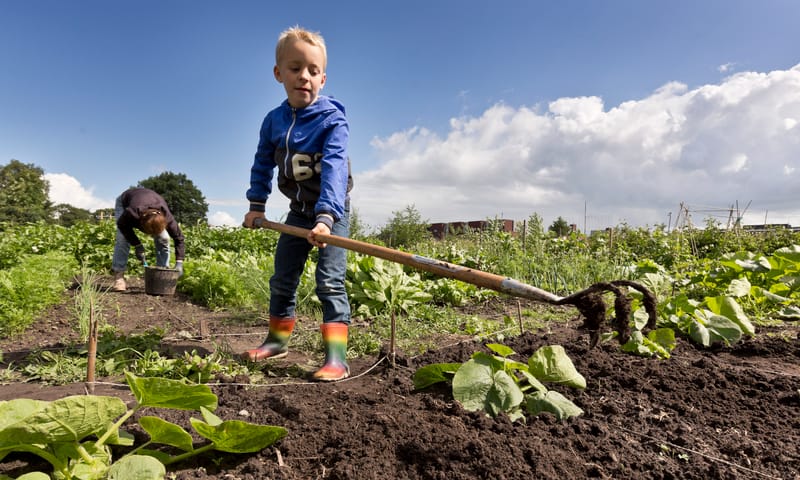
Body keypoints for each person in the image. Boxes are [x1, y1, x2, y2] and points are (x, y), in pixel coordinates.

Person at [241, 26, 353, 382]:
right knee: (283, 277)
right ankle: (277, 341)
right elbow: (262, 163)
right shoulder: (273, 122)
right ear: (279, 74)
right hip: (297, 212)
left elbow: (335, 168)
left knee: (330, 281)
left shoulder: (332, 120)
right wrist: (256, 205)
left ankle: (337, 358)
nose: (304, 76)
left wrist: (325, 218)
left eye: (313, 70)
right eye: (295, 68)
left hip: (330, 212)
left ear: (323, 77)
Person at [112, 187, 185, 291]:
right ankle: (118, 277)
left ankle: (162, 274)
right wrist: (137, 245)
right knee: (122, 238)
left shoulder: (167, 217)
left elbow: (179, 238)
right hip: (125, 201)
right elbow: (122, 225)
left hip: (150, 200)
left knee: (164, 238)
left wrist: (179, 262)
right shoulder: (131, 212)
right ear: (141, 223)